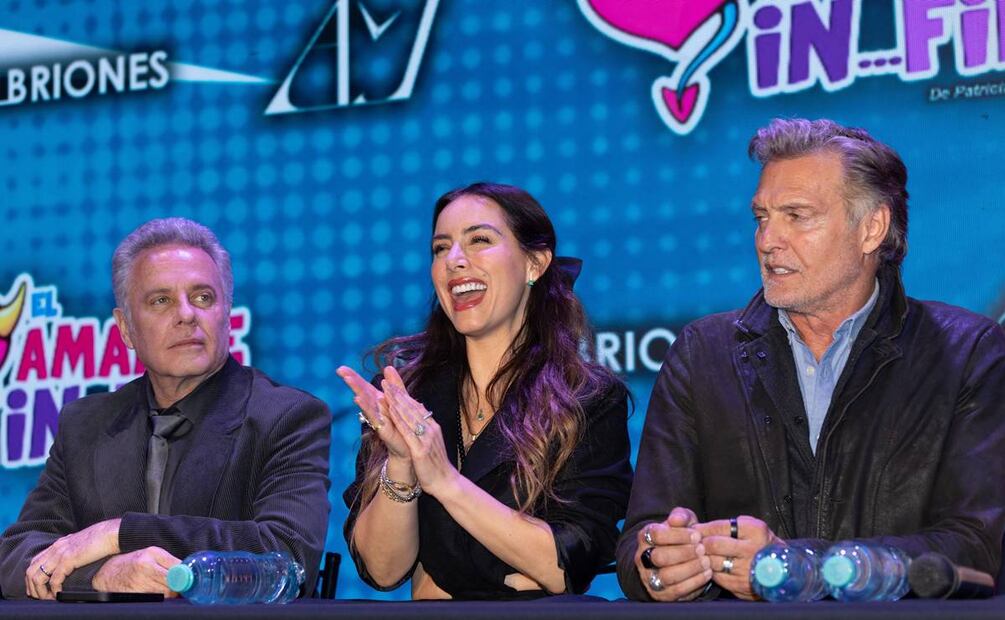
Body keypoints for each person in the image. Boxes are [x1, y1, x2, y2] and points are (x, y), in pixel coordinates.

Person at [617, 118, 1005, 601]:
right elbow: (641, 540)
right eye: (761, 217)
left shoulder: (966, 352)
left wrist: (799, 566)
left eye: (796, 216)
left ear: (872, 229)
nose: (767, 240)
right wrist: (659, 561)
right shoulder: (702, 353)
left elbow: (977, 547)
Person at [0, 218, 331, 600]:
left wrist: (118, 533)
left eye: (204, 297)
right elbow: (18, 553)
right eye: (162, 301)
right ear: (125, 329)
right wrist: (100, 576)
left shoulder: (286, 417)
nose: (187, 314)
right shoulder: (85, 424)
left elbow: (287, 555)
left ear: (227, 314)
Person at [338, 182, 632, 600]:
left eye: (479, 240)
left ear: (535, 263)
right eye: (441, 248)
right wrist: (401, 465)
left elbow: (566, 563)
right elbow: (383, 570)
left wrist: (445, 482)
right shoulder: (407, 393)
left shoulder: (586, 399)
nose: (455, 261)